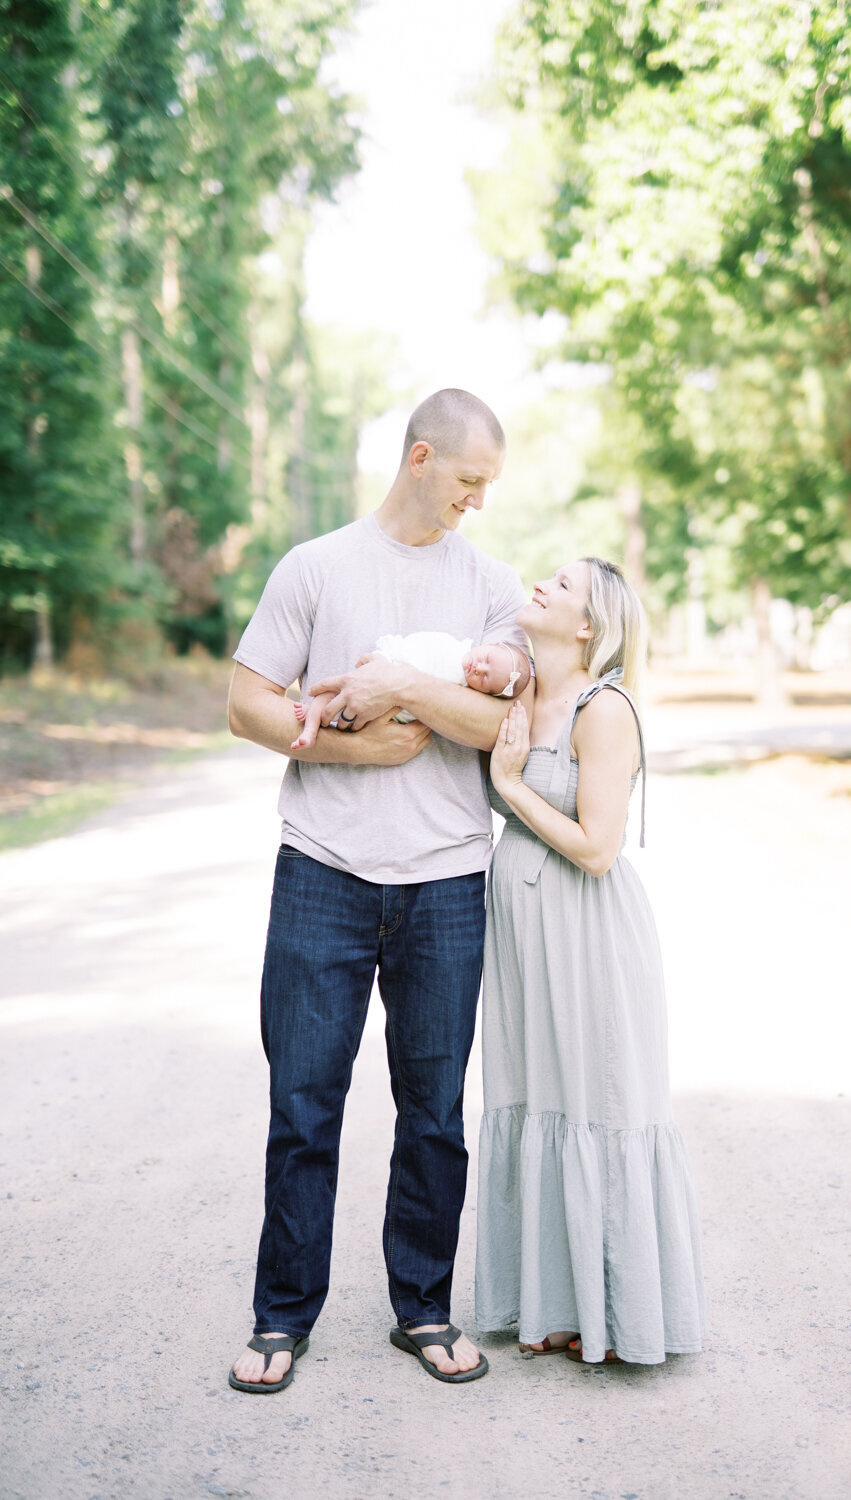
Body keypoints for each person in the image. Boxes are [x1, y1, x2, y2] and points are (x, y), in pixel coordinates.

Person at [227, 389, 532, 1393]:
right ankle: (281, 1318)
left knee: (434, 1111)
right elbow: (246, 702)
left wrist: (400, 689)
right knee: (304, 1107)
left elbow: (500, 733)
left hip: (447, 880)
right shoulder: (316, 567)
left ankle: (424, 1308)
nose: (477, 502)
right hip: (322, 869)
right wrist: (354, 759)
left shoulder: (493, 586)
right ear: (418, 458)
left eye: (488, 486)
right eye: (467, 481)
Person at [475, 557, 706, 1365]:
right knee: (540, 1095)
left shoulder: (602, 709)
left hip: (585, 928)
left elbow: (599, 849)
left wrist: (511, 782)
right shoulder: (515, 692)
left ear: (587, 627)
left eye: (562, 586)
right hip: (519, 926)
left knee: (599, 1103)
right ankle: (554, 1302)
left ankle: (618, 1314)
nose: (539, 584)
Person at [291, 633, 530, 748]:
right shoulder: (452, 645)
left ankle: (314, 724)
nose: (478, 668)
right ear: (490, 644)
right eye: (485, 658)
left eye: (485, 678)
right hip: (385, 665)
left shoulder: (463, 691)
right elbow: (417, 646)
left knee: (353, 714)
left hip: (391, 714)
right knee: (336, 693)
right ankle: (310, 726)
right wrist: (385, 659)